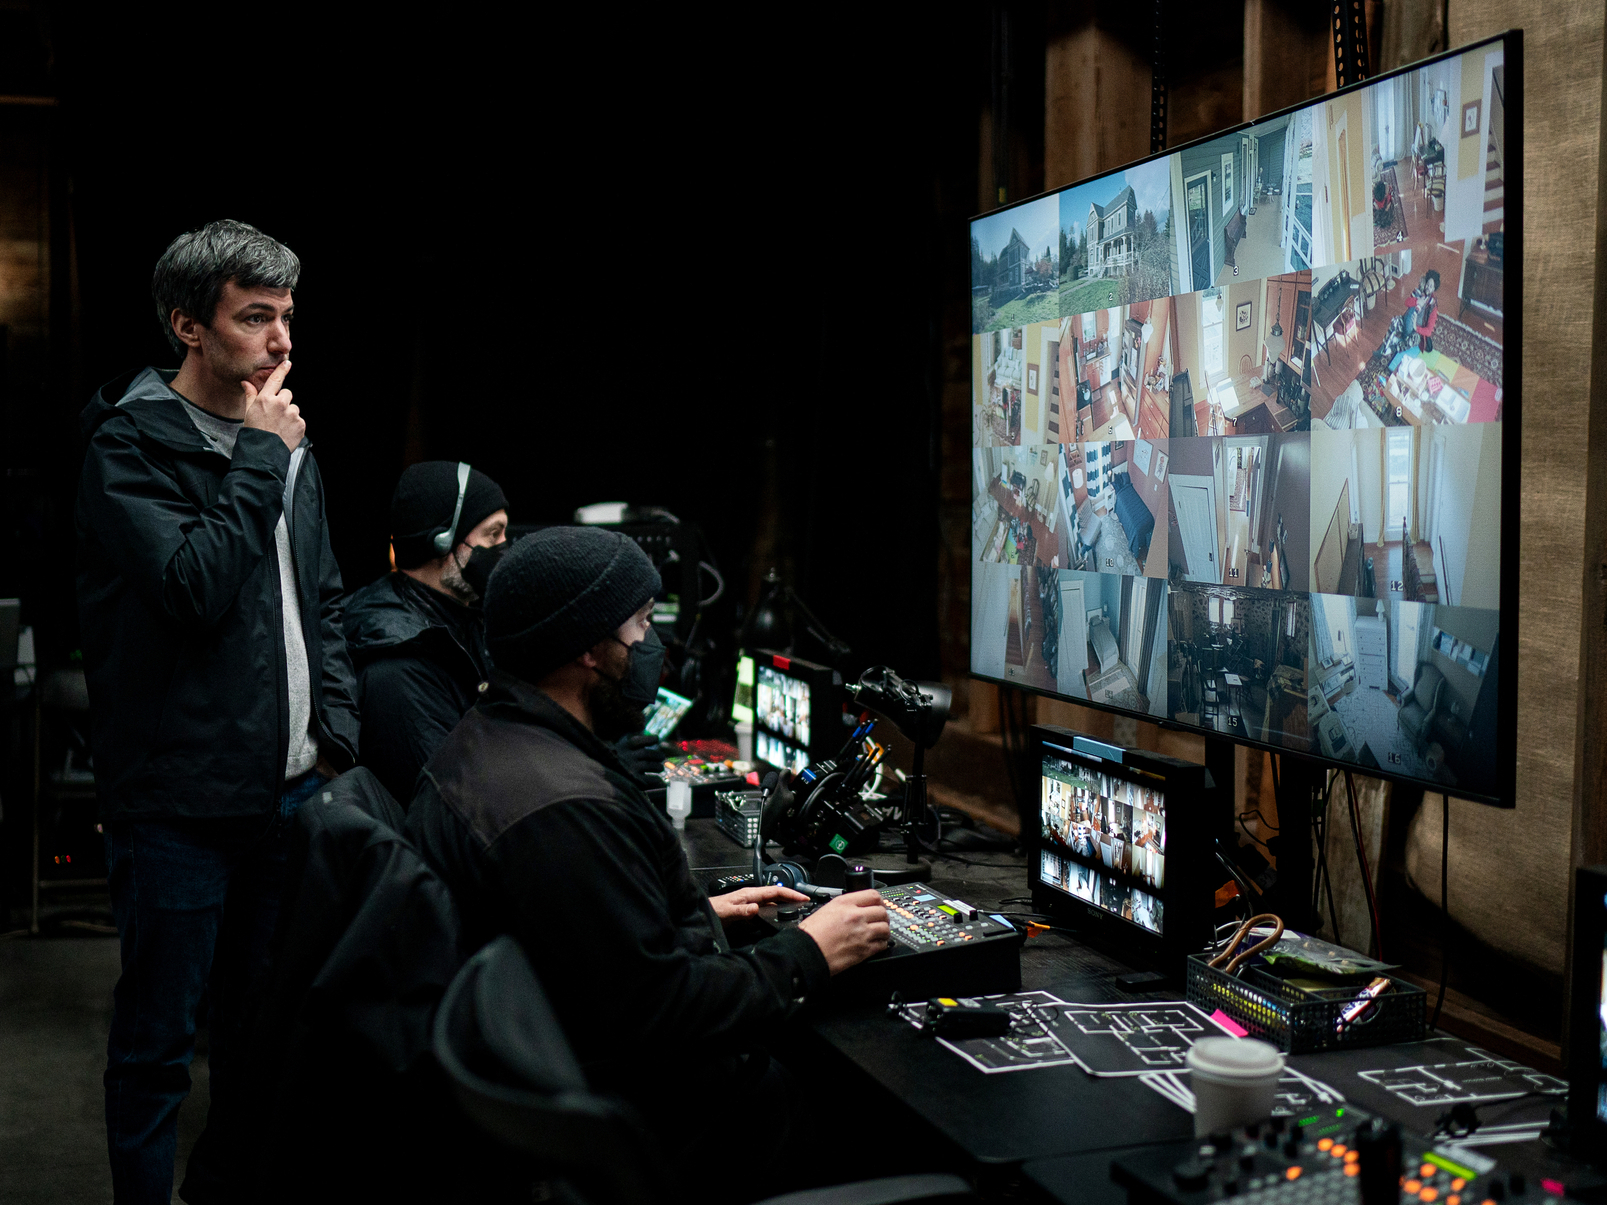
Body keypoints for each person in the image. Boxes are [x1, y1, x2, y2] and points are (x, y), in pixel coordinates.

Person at [407, 527, 889, 1180]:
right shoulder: (565, 812)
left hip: (586, 1068)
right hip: (674, 1125)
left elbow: (584, 945)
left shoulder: (488, 740)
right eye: (639, 623)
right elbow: (661, 1009)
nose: (651, 645)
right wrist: (808, 952)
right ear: (588, 648)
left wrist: (695, 914)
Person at [75, 219, 360, 1204]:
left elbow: (324, 599)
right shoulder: (129, 446)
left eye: (288, 316)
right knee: (157, 1046)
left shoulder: (287, 444)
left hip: (290, 795)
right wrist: (260, 458)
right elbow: (192, 589)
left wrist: (333, 738)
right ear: (187, 326)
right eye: (254, 317)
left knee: (258, 1040)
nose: (282, 340)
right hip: (178, 804)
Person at [342, 461, 509, 805]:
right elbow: (453, 803)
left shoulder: (468, 620)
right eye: (493, 534)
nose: (504, 547)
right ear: (441, 541)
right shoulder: (398, 668)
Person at [1411, 269, 1441, 354]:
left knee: (1408, 341)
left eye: (1431, 286)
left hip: (1417, 328)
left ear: (1434, 289)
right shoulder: (1419, 293)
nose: (1428, 287)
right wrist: (1417, 301)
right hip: (1410, 319)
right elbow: (1407, 302)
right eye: (1427, 284)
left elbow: (1428, 331)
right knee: (1395, 322)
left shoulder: (1433, 307)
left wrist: (1416, 328)